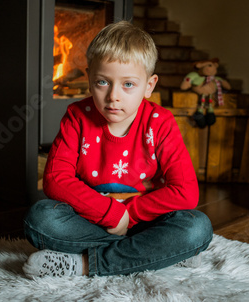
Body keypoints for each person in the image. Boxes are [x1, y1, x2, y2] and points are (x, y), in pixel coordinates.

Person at [23, 21, 213, 278]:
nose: (114, 96)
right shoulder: (78, 116)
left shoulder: (160, 122)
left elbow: (185, 191)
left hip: (148, 224)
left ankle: (85, 265)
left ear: (149, 85)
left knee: (196, 229)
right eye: (103, 82)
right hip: (93, 222)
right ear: (89, 78)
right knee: (41, 219)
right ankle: (158, 256)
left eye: (128, 85)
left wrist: (129, 215)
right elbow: (56, 179)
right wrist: (111, 214)